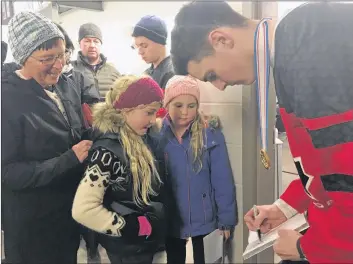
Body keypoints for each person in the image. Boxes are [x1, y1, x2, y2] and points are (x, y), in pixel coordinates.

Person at [170, 1, 353, 263]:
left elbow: (347, 176)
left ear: (221, 40)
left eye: (211, 75)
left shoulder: (309, 45)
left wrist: (309, 247)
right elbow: (325, 165)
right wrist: (284, 208)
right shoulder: (293, 48)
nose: (220, 87)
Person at [2, 11, 92, 264]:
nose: (58, 64)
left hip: (67, 215)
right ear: (23, 58)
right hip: (33, 226)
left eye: (61, 55)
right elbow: (8, 172)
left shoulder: (64, 85)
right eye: (46, 58)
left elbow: (74, 132)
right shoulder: (7, 100)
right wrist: (67, 160)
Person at [72, 75, 167, 264]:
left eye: (156, 113)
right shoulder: (106, 153)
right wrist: (131, 227)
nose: (153, 119)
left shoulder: (141, 138)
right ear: (126, 109)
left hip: (145, 247)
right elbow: (83, 209)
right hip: (123, 251)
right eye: (148, 112)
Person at [158, 75, 237, 264]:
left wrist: (225, 220)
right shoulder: (157, 135)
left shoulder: (210, 133)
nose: (185, 112)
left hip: (205, 218)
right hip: (172, 218)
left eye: (191, 106)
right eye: (178, 105)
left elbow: (222, 179)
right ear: (167, 104)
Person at [72, 23, 121, 100]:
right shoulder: (70, 70)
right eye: (87, 41)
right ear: (79, 44)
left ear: (100, 44)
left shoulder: (113, 72)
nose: (92, 45)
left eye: (96, 41)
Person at [132, 15, 174, 90]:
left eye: (144, 45)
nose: (140, 52)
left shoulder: (171, 74)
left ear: (160, 42)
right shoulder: (147, 73)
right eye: (138, 46)